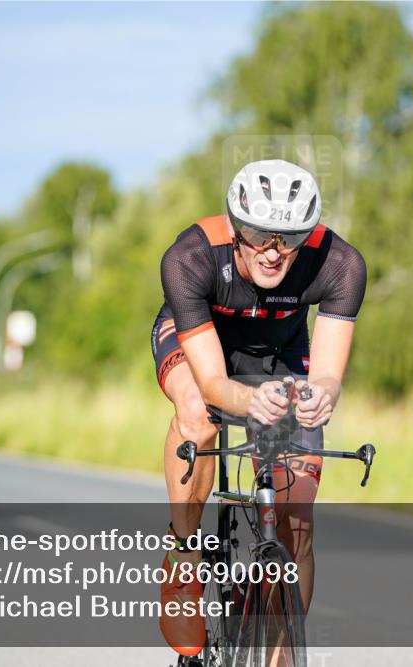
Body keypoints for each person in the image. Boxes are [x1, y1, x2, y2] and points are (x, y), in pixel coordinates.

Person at [151, 159, 367, 657]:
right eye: (257, 235)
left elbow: (328, 377)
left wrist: (321, 397)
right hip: (201, 344)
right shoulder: (191, 257)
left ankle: (278, 649)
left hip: (279, 352)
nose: (273, 251)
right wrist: (250, 400)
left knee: (298, 522)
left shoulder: (340, 264)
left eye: (289, 238)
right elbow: (212, 384)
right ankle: (183, 557)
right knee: (197, 411)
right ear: (234, 228)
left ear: (308, 234)